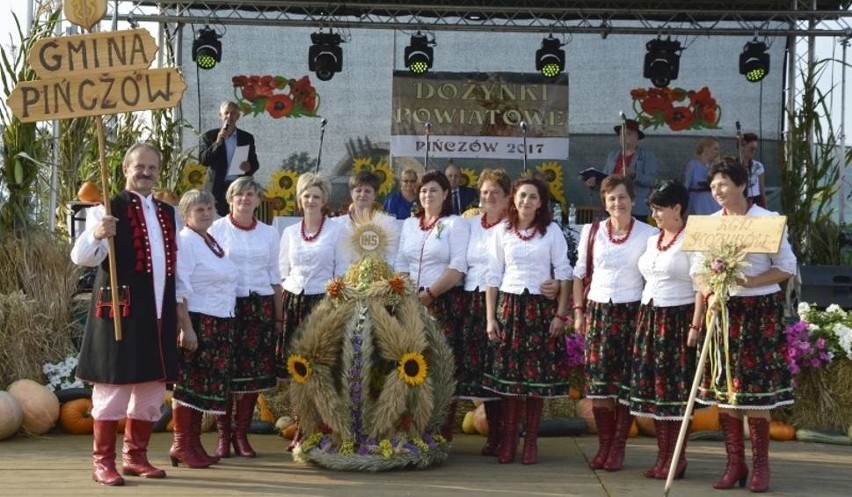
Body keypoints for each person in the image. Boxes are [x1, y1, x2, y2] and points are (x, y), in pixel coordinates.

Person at [71, 143, 178, 486]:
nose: (145, 172)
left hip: (159, 310)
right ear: (125, 169)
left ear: (158, 171)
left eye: (152, 167)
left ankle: (135, 456)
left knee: (150, 388)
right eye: (139, 166)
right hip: (123, 307)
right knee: (114, 386)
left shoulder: (167, 211)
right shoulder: (105, 208)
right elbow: (81, 257)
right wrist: (97, 233)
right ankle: (102, 462)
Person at [692, 158, 796, 493]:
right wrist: (709, 287)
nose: (717, 192)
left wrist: (749, 281)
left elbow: (786, 267)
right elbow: (697, 269)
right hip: (722, 311)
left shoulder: (766, 221)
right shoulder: (708, 224)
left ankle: (761, 466)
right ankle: (734, 462)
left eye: (723, 184)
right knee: (726, 389)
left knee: (754, 391)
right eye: (712, 187)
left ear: (740, 185)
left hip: (757, 311)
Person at [483, 176, 573, 465]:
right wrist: (490, 319)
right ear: (514, 198)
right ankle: (509, 441)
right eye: (522, 196)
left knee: (535, 382)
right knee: (509, 382)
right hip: (509, 309)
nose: (526, 202)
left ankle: (531, 443)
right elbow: (492, 277)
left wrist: (561, 313)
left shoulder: (551, 232)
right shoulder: (503, 232)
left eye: (532, 197)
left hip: (539, 311)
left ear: (541, 203)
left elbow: (564, 273)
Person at [572, 175, 657, 472]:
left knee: (624, 385)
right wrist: (579, 312)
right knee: (598, 385)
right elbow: (579, 273)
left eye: (622, 197)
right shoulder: (592, 231)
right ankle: (604, 445)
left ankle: (618, 446)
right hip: (598, 311)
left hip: (633, 311)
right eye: (611, 199)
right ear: (604, 203)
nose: (617, 203)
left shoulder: (648, 233)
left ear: (633, 200)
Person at [629, 181, 702, 480]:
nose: (655, 215)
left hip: (678, 318)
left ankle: (677, 458)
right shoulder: (652, 240)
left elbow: (701, 286)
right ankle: (662, 455)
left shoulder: (692, 239)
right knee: (656, 392)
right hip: (651, 316)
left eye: (660, 209)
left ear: (677, 207)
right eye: (653, 209)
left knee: (675, 391)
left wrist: (695, 325)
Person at [209, 177, 282, 459]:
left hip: (260, 308)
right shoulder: (216, 229)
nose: (244, 199)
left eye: (250, 194)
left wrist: (279, 317)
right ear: (230, 199)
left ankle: (241, 436)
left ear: (258, 200)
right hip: (227, 307)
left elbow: (275, 276)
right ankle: (222, 437)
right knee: (226, 374)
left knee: (253, 376)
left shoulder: (269, 233)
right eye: (239, 194)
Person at [395, 169, 470, 441]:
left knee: (440, 365)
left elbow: (458, 267)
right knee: (413, 365)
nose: (428, 195)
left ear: (446, 194)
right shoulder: (409, 225)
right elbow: (401, 264)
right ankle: (413, 425)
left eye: (434, 190)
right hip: (411, 304)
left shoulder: (455, 224)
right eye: (424, 190)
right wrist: (407, 292)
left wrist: (431, 294)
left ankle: (441, 430)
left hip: (443, 302)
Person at [171, 190, 239, 469]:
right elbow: (180, 287)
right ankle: (181, 444)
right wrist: (186, 328)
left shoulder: (209, 239)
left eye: (210, 208)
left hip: (219, 319)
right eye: (200, 209)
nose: (207, 213)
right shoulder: (186, 241)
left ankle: (194, 443)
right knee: (189, 384)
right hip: (199, 320)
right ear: (186, 214)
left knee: (201, 386)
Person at [460, 168, 511, 456]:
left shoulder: (512, 227)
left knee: (498, 370)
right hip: (471, 301)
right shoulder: (469, 225)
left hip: (501, 301)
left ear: (507, 198)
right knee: (481, 372)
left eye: (494, 192)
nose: (488, 197)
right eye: (484, 192)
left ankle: (503, 436)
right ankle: (492, 434)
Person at [278, 172, 346, 376]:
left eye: (316, 197)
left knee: (318, 362)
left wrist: (334, 304)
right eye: (306, 196)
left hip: (322, 301)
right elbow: (282, 271)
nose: (311, 201)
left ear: (324, 200)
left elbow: (342, 269)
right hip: (292, 301)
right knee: (293, 361)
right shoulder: (290, 232)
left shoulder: (337, 230)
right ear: (299, 200)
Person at [586, 119, 659, 220]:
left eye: (628, 134)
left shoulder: (647, 155)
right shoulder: (612, 155)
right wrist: (595, 182)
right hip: (613, 206)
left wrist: (634, 174)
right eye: (621, 134)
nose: (624, 137)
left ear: (637, 137)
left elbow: (652, 181)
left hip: (636, 208)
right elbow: (606, 179)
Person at [199, 100, 260, 216]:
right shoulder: (209, 136)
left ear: (238, 116)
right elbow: (203, 161)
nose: (229, 116)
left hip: (239, 189)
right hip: (216, 189)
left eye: (233, 113)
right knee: (216, 224)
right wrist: (217, 143)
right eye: (226, 113)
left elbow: (255, 163)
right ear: (220, 116)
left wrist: (249, 167)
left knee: (239, 221)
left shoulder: (246, 138)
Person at [335, 170, 400, 267]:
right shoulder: (337, 224)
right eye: (358, 190)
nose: (362, 194)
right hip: (343, 279)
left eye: (367, 191)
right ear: (351, 194)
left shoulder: (388, 223)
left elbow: (392, 257)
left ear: (375, 195)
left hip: (377, 279)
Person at [681, 137, 721, 215]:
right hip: (697, 200)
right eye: (715, 149)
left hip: (713, 200)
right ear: (706, 148)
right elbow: (686, 185)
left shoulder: (715, 165)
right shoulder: (693, 164)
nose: (717, 152)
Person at [740, 132, 767, 208]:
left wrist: (765, 206)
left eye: (755, 149)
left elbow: (762, 190)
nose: (753, 151)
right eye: (751, 148)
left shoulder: (758, 165)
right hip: (740, 200)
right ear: (743, 146)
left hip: (756, 200)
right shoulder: (734, 165)